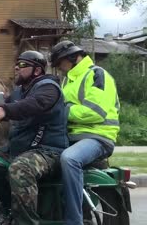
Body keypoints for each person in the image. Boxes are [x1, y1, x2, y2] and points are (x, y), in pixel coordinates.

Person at [0, 51, 69, 225]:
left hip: (47, 151)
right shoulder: (19, 91)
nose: (17, 67)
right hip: (21, 148)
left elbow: (36, 103)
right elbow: (0, 106)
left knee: (21, 169)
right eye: (17, 64)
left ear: (37, 70)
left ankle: (25, 222)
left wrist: (6, 111)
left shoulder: (48, 87)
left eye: (23, 65)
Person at [50, 40, 119, 225]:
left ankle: (74, 221)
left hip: (97, 137)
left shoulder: (97, 74)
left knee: (69, 159)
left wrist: (63, 111)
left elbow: (96, 111)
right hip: (71, 137)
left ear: (73, 57)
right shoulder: (68, 80)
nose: (58, 67)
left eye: (59, 63)